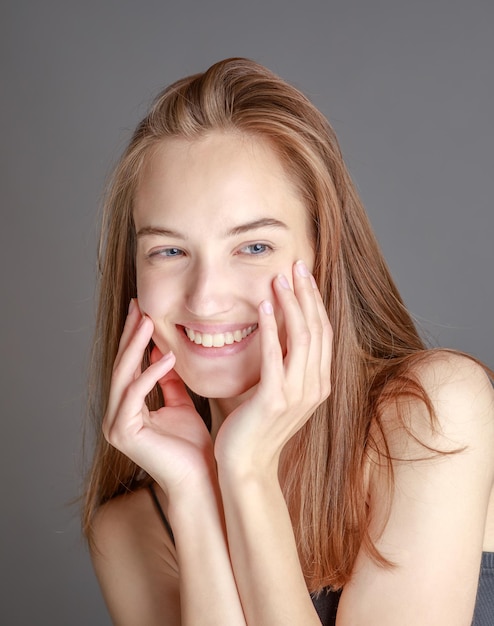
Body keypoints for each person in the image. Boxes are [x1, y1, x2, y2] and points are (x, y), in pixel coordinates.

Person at [83, 58, 494, 625]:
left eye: (253, 247)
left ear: (323, 255)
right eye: (169, 251)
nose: (206, 298)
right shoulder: (130, 528)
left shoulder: (431, 412)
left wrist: (247, 469)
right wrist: (198, 497)